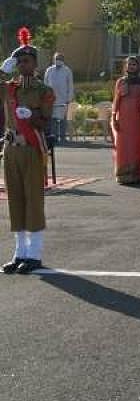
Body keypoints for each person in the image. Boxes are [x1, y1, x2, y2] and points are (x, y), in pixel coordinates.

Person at [0, 31, 54, 274]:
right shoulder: (9, 88)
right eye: (19, 61)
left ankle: (34, 253)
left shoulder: (43, 90)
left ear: (35, 63)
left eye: (26, 61)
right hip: (11, 149)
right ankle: (19, 252)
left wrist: (31, 116)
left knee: (33, 199)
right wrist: (3, 68)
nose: (22, 65)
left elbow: (45, 122)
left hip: (32, 149)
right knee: (16, 200)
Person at [111, 56, 140, 184]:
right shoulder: (121, 82)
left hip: (137, 118)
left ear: (138, 67)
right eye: (129, 64)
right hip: (123, 117)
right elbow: (116, 101)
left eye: (134, 64)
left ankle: (137, 174)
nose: (131, 66)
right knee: (124, 144)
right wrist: (114, 118)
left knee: (137, 143)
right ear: (125, 66)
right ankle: (124, 175)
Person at [43, 52, 74, 144]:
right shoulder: (49, 70)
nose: (58, 60)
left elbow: (70, 85)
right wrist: (45, 97)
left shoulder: (67, 70)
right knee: (53, 119)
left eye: (60, 59)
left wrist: (69, 98)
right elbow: (45, 84)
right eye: (57, 59)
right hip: (51, 99)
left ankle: (63, 137)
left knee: (63, 119)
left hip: (63, 99)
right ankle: (54, 136)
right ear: (54, 60)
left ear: (63, 60)